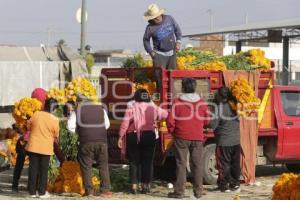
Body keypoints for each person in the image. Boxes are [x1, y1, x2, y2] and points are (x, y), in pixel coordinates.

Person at [118, 89, 168, 194]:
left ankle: (134, 186)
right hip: (149, 136)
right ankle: (146, 186)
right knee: (148, 161)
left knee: (134, 161)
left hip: (133, 136)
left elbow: (125, 123)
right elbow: (165, 115)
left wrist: (120, 136)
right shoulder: (152, 107)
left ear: (136, 96)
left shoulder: (131, 106)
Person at [167, 78, 210, 199]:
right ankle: (198, 192)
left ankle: (179, 192)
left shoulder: (177, 102)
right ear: (195, 87)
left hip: (181, 137)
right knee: (197, 164)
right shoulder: (202, 103)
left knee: (181, 164)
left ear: (183, 88)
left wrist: (172, 132)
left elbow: (170, 121)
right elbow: (207, 120)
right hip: (197, 137)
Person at [67, 95, 112, 197]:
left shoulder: (77, 110)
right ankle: (105, 190)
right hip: (102, 141)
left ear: (79, 102)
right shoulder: (100, 109)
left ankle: (89, 192)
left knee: (86, 166)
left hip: (86, 141)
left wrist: (80, 132)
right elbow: (107, 124)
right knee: (103, 165)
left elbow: (70, 126)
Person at [143, 3, 182, 92]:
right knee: (159, 77)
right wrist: (151, 52)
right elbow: (145, 40)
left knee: (172, 76)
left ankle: (172, 97)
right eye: (153, 18)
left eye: (156, 17)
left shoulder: (170, 19)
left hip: (172, 53)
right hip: (159, 54)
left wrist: (178, 42)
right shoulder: (150, 28)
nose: (156, 19)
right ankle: (161, 97)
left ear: (159, 14)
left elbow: (178, 31)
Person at [26, 98, 59, 198]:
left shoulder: (36, 114)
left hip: (33, 146)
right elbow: (56, 134)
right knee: (43, 170)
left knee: (33, 169)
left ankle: (31, 192)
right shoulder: (55, 119)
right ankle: (41, 192)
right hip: (46, 147)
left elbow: (28, 126)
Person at [209, 87, 241, 192]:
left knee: (223, 164)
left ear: (220, 96)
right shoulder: (235, 106)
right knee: (235, 163)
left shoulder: (219, 108)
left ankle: (224, 185)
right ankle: (235, 184)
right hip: (236, 141)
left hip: (224, 141)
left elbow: (213, 125)